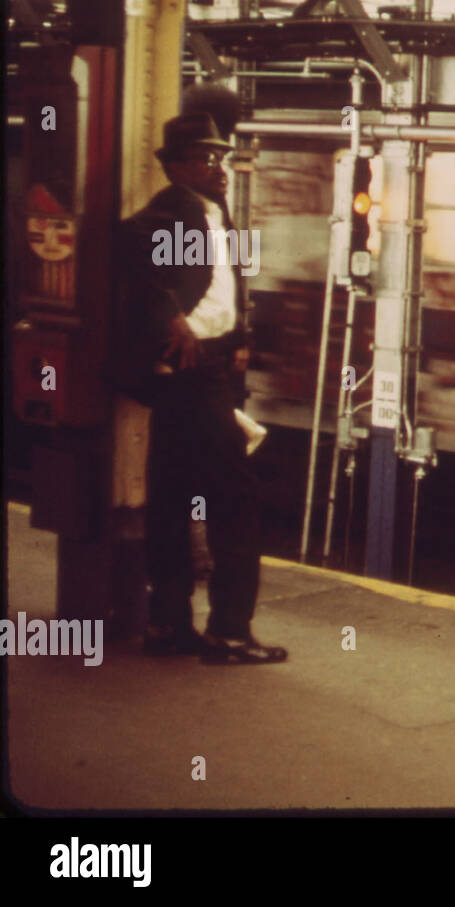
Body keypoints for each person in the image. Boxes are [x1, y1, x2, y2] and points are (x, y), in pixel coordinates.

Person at [113, 112, 287, 664]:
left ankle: (168, 625)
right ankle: (229, 632)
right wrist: (172, 318)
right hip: (192, 372)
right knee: (235, 498)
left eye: (223, 157)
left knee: (172, 495)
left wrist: (238, 337)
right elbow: (128, 245)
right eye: (207, 158)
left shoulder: (217, 214)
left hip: (204, 369)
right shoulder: (176, 208)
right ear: (179, 165)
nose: (221, 167)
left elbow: (226, 287)